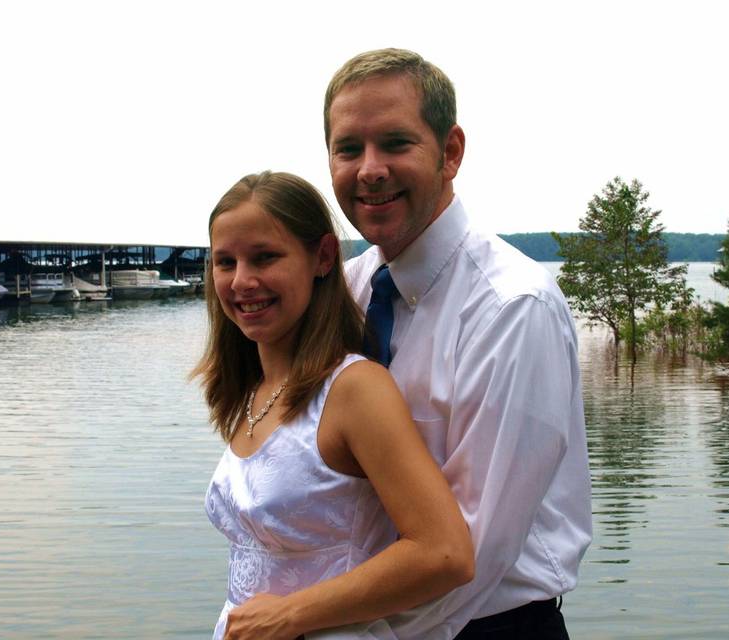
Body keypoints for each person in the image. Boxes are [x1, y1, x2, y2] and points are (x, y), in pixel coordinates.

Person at [313, 49, 593, 639]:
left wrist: (324, 626)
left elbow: (470, 551)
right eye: (348, 148)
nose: (369, 169)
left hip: (488, 626)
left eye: (395, 143)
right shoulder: (351, 290)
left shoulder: (512, 308)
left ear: (451, 152)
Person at [192, 171, 474, 640]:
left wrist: (288, 615)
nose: (242, 281)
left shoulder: (354, 389)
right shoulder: (251, 391)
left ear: (322, 257)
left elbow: (445, 553)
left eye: (265, 257)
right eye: (225, 262)